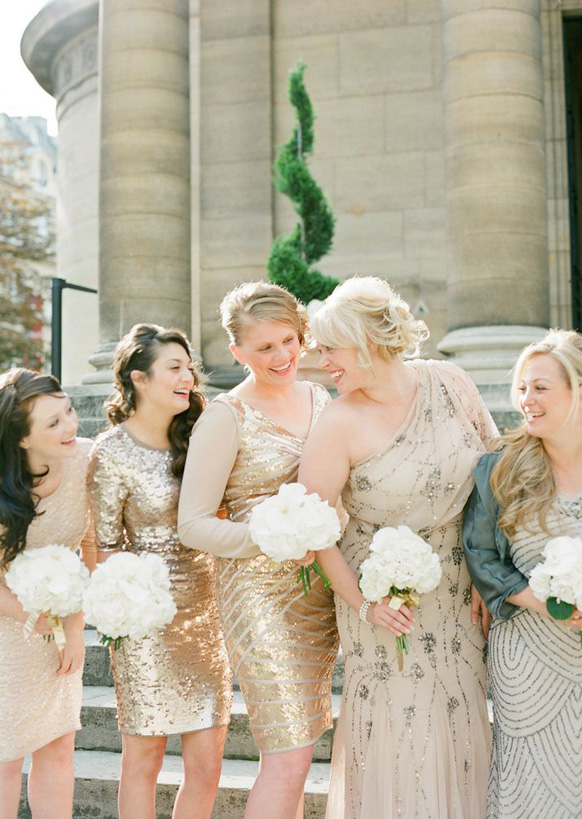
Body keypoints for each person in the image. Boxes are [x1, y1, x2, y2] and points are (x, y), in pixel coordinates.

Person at [298, 276, 497, 819]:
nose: (319, 360)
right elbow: (314, 531)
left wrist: (490, 575)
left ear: (366, 343)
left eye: (329, 348)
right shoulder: (337, 422)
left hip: (459, 593)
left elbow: (494, 476)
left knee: (456, 722)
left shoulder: (452, 382)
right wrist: (365, 605)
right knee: (400, 731)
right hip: (381, 602)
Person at [178, 282, 340, 819]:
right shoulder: (225, 418)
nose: (283, 356)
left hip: (322, 591)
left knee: (303, 745)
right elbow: (193, 525)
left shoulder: (321, 398)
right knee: (289, 756)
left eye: (289, 340)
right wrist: (271, 538)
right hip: (259, 599)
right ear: (238, 352)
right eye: (265, 346)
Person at [88, 324, 231, 819]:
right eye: (174, 368)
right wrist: (122, 612)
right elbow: (105, 548)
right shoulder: (109, 451)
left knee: (208, 763)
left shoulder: (203, 432)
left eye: (188, 367)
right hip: (145, 620)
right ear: (138, 379)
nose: (187, 377)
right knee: (144, 758)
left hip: (207, 613)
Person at [463, 329, 582, 819]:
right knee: (529, 787)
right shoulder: (499, 467)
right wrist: (540, 602)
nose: (526, 400)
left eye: (540, 387)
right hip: (528, 656)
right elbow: (480, 554)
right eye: (522, 387)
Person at [0, 368, 94, 819]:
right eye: (53, 423)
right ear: (21, 439)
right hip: (5, 627)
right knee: (4, 759)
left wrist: (73, 626)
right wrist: (30, 616)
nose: (71, 426)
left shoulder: (86, 460)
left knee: (58, 749)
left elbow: (89, 546)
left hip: (58, 622)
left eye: (69, 412)